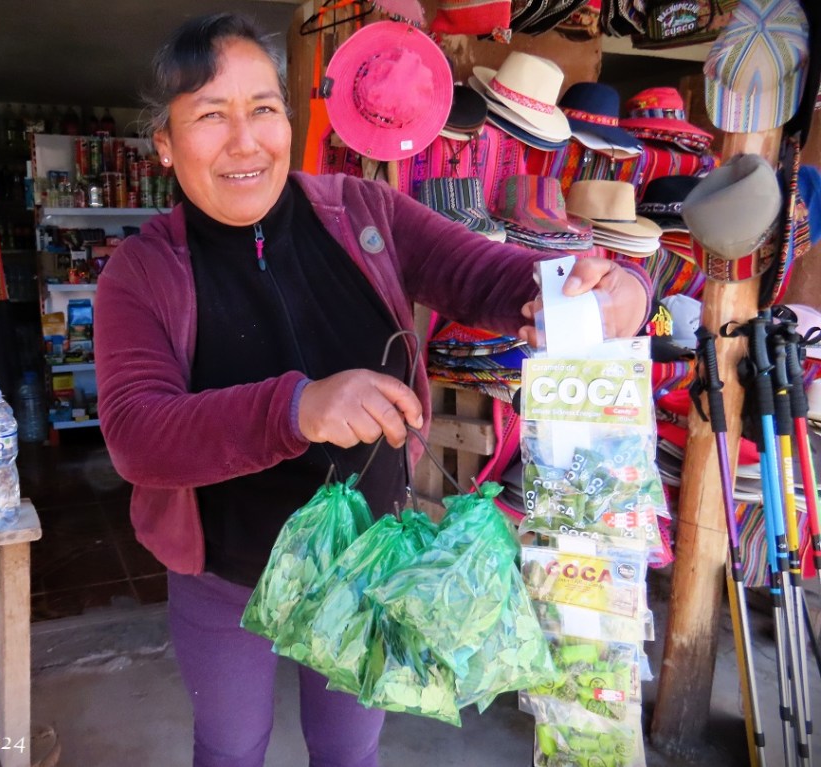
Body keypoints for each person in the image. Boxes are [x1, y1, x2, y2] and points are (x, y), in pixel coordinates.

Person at [94, 13, 650, 767]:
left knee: (349, 751)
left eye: (262, 108)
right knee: (230, 747)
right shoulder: (142, 271)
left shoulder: (363, 214)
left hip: (366, 565)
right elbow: (138, 433)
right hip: (223, 574)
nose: (245, 140)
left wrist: (604, 288)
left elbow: (490, 278)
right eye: (209, 116)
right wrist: (298, 407)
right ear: (164, 142)